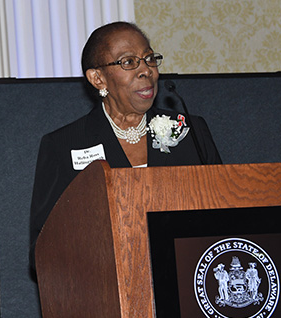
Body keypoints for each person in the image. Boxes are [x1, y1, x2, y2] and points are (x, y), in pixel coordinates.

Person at [29, 21, 222, 271]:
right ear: (98, 78)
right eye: (128, 62)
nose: (146, 71)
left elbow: (224, 216)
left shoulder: (189, 132)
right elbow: (43, 250)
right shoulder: (65, 146)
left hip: (186, 278)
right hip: (108, 289)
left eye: (149, 58)